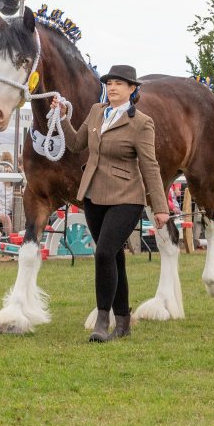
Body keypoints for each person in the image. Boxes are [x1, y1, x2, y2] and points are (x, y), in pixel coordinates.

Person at [55, 64, 169, 342]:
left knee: (104, 254)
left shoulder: (142, 122)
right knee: (115, 258)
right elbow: (76, 144)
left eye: (120, 83)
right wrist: (62, 119)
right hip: (94, 195)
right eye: (110, 82)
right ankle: (124, 322)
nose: (113, 87)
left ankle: (102, 320)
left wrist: (161, 206)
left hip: (127, 198)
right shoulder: (96, 112)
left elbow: (150, 165)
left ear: (132, 89)